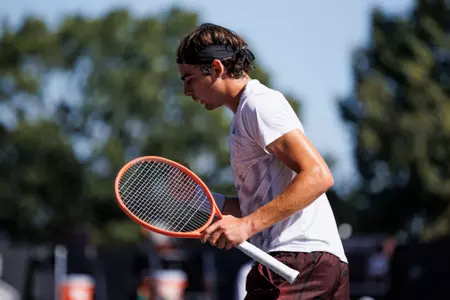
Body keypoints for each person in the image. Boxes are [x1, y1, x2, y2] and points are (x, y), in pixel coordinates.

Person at [176, 23, 349, 299]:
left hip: (298, 260)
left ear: (217, 69)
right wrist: (203, 198)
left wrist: (246, 226)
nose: (186, 91)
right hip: (308, 262)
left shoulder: (258, 104)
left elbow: (318, 175)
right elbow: (257, 205)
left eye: (189, 79)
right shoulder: (244, 116)